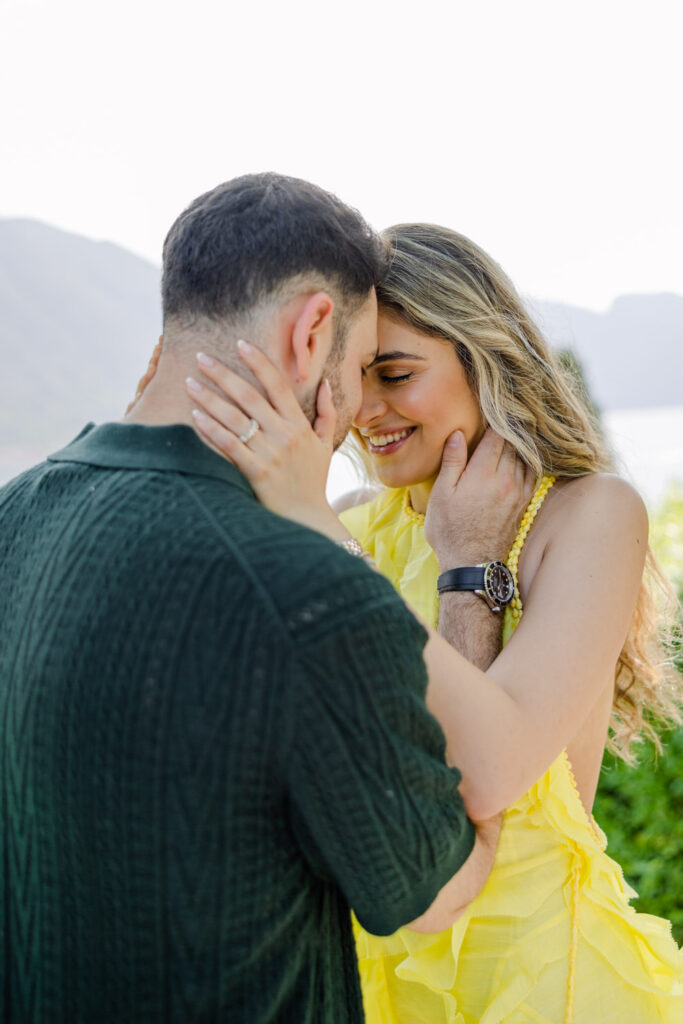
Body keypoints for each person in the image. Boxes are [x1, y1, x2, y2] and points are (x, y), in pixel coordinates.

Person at [0, 177, 538, 1023]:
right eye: (363, 367)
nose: (359, 406)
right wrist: (466, 576)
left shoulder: (15, 515)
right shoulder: (305, 592)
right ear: (312, 331)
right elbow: (433, 886)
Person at [190, 223, 683, 1022]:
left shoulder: (587, 516)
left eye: (395, 373)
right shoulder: (349, 521)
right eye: (353, 377)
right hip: (367, 981)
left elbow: (486, 772)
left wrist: (458, 564)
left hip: (541, 985)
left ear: (481, 355)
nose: (366, 411)